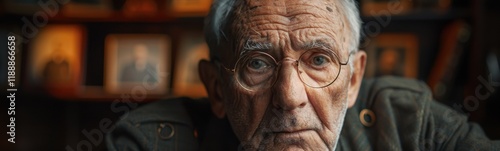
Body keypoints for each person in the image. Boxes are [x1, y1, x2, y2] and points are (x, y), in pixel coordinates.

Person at [106, 0, 500, 150]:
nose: (290, 96)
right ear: (218, 89)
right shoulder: (150, 142)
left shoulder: (415, 126)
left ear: (355, 79)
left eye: (318, 60)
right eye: (257, 63)